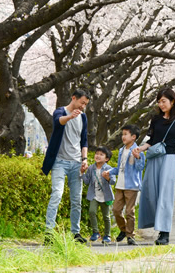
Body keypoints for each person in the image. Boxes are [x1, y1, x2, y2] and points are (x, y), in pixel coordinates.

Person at [133, 87, 175, 246]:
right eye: (159, 102)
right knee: (150, 193)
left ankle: (164, 233)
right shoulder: (156, 119)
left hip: (170, 159)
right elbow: (151, 140)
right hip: (154, 159)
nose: (161, 104)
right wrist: (140, 148)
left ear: (172, 101)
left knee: (165, 195)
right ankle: (154, 224)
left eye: (163, 101)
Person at [41, 89, 90, 244]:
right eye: (82, 102)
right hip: (59, 162)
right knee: (57, 194)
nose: (83, 106)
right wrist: (70, 116)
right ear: (73, 98)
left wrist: (85, 159)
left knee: (76, 200)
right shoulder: (60, 111)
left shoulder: (83, 117)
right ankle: (49, 233)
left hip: (76, 163)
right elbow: (58, 121)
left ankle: (75, 233)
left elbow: (84, 140)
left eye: (86, 104)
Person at [106, 124, 146, 245]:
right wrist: (109, 171)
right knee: (116, 210)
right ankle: (124, 229)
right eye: (122, 134)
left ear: (133, 137)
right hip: (120, 185)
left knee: (130, 211)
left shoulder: (138, 151)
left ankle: (130, 235)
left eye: (125, 134)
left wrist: (138, 157)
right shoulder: (121, 150)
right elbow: (119, 168)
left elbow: (140, 168)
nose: (123, 137)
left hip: (132, 186)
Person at [82, 146, 115, 245]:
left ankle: (107, 235)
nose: (98, 156)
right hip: (94, 195)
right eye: (97, 154)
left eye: (101, 154)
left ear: (106, 159)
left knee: (106, 216)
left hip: (105, 196)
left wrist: (108, 177)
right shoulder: (91, 168)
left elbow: (113, 181)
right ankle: (96, 232)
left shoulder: (109, 168)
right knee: (92, 212)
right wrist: (82, 173)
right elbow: (87, 182)